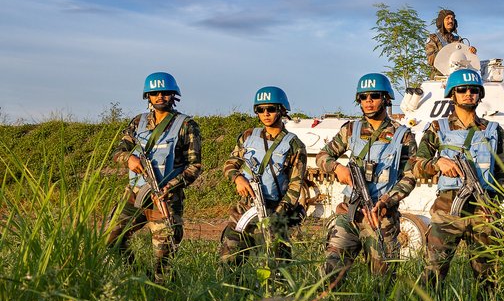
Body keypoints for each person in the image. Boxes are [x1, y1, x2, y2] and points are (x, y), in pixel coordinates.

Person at [411, 68, 504, 291]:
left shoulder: (493, 130)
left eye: (474, 90)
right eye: (462, 90)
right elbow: (416, 166)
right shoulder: (438, 128)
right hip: (447, 209)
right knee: (433, 274)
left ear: (480, 94)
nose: (468, 94)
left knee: (488, 279)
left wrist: (492, 202)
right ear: (452, 94)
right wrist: (437, 163)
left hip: (483, 212)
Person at [315, 73, 417, 287]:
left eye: (374, 96)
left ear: (386, 99)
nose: (368, 101)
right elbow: (322, 157)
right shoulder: (350, 130)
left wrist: (387, 201)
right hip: (349, 212)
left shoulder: (403, 135)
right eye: (363, 97)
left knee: (383, 281)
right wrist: (337, 167)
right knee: (329, 272)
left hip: (381, 216)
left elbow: (410, 176)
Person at [104, 71, 202, 279]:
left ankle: (164, 292)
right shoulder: (137, 123)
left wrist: (171, 187)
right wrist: (128, 159)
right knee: (111, 238)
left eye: (165, 93)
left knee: (164, 257)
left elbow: (194, 166)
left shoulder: (186, 125)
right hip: (135, 195)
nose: (160, 97)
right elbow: (118, 151)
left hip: (165, 198)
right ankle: (139, 275)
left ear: (173, 95)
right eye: (154, 93)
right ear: (147, 96)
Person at [218, 86, 308, 276]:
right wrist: (238, 178)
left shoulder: (294, 145)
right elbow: (230, 164)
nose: (265, 114)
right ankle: (232, 299)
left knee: (277, 269)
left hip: (274, 210)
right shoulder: (248, 136)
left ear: (282, 110)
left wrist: (277, 214)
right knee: (228, 261)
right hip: (244, 209)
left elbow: (295, 186)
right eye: (260, 109)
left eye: (271, 109)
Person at [425, 9, 476, 76]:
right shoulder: (433, 38)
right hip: (439, 77)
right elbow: (431, 60)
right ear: (441, 21)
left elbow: (464, 58)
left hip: (458, 76)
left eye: (452, 19)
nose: (450, 21)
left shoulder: (458, 39)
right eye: (447, 18)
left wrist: (471, 52)